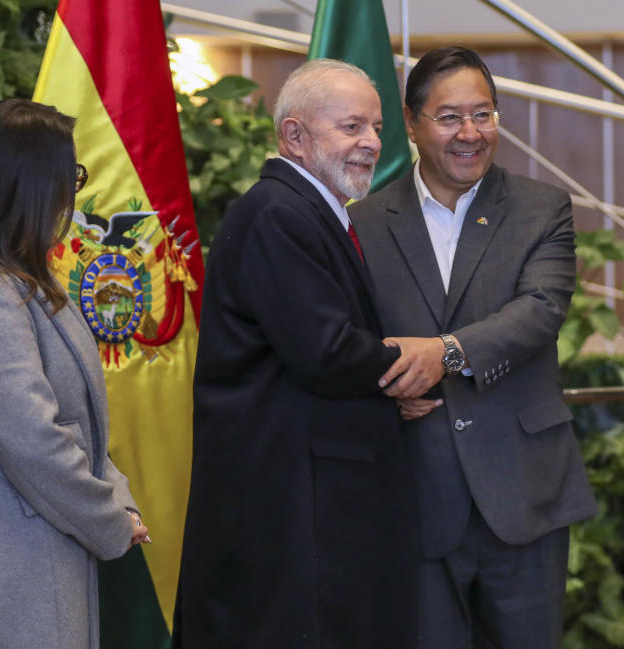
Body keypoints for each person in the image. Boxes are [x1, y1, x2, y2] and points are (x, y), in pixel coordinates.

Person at [172, 59, 426, 649]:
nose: (371, 144)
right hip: (288, 504)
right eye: (352, 127)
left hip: (304, 494)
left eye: (377, 127)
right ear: (294, 136)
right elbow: (325, 349)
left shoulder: (308, 210)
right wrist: (413, 366)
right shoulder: (278, 213)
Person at [351, 46, 597, 649]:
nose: (470, 133)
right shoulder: (363, 220)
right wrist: (384, 389)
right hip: (413, 493)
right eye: (449, 117)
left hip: (524, 490)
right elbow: (351, 339)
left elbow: (540, 312)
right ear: (411, 124)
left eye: (483, 115)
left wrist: (445, 354)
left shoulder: (542, 209)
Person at [0, 98, 149, 649]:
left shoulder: (22, 280)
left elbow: (79, 421)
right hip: (6, 578)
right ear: (29, 183)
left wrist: (118, 497)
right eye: (70, 176)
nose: (73, 193)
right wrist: (110, 518)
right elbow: (35, 441)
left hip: (39, 557)